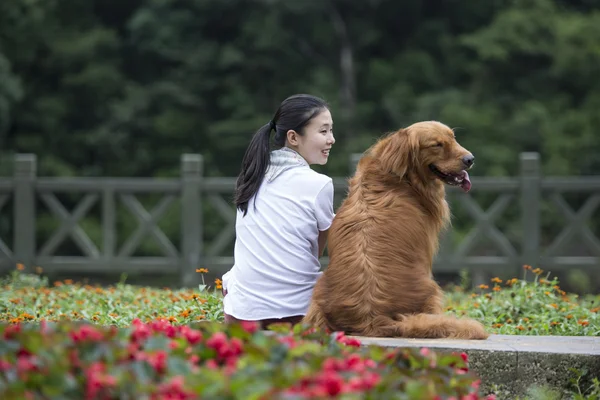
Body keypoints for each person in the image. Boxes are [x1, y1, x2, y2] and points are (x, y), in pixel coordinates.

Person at [221, 94, 336, 329]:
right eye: (323, 132)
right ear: (293, 137)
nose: (331, 139)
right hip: (297, 315)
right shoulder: (319, 184)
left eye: (331, 131)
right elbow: (319, 251)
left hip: (242, 315)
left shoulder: (252, 176)